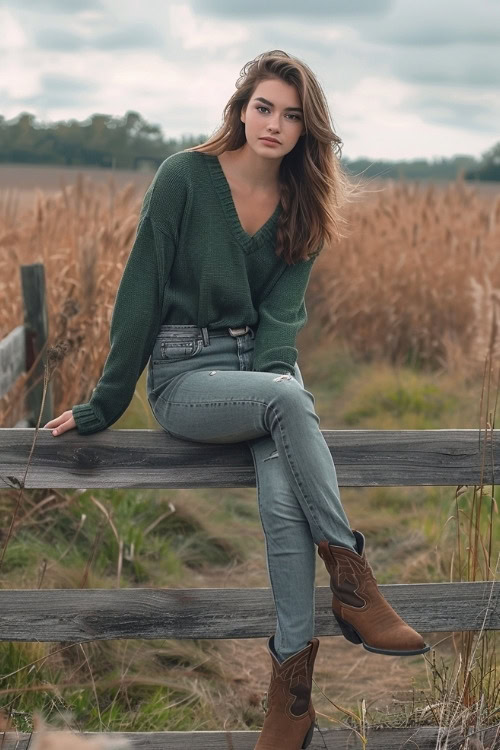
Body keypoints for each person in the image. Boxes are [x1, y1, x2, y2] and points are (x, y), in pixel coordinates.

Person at [43, 50, 430, 750]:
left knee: (285, 508)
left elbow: (282, 316)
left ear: (306, 129)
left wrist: (272, 380)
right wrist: (107, 399)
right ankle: (355, 585)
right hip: (188, 377)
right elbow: (141, 290)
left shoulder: (305, 201)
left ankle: (292, 698)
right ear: (240, 107)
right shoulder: (184, 178)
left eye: (290, 114)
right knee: (288, 403)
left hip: (266, 374)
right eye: (263, 107)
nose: (274, 124)